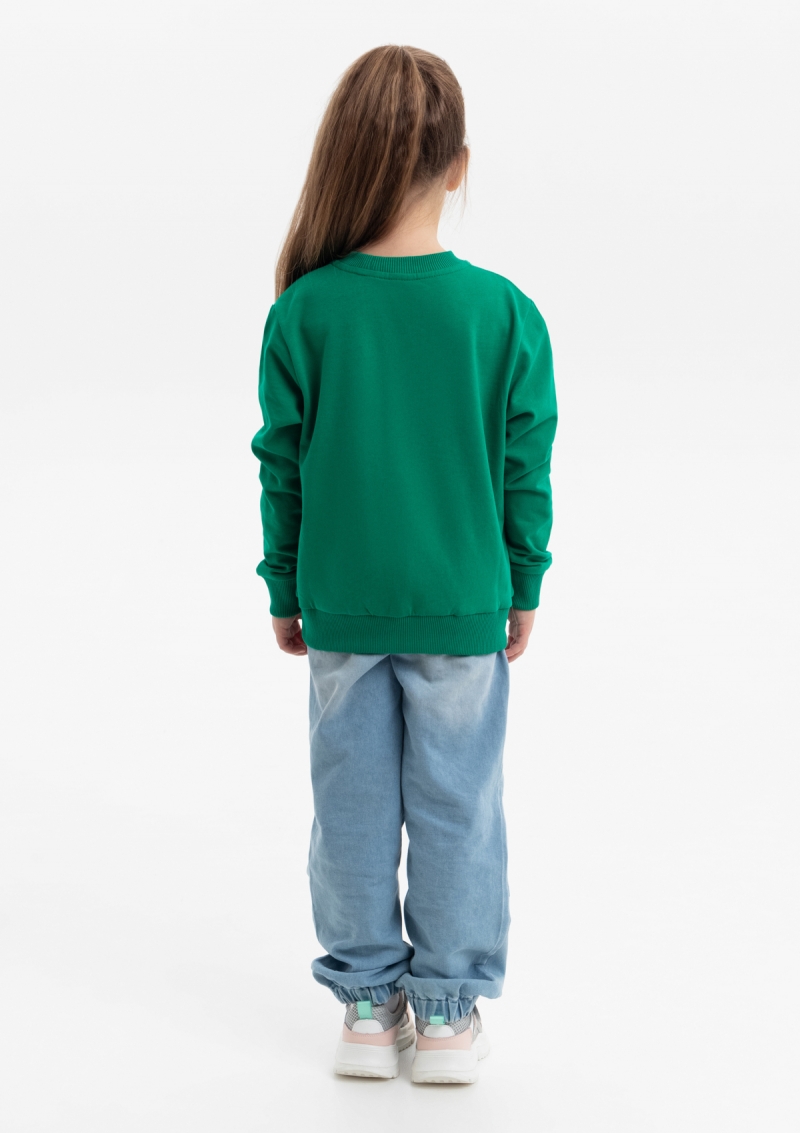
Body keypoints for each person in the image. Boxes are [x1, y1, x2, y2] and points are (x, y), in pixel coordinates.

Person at [251, 44, 557, 1085]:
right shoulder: (503, 313)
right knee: (458, 804)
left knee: (347, 804)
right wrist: (523, 582)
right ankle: (448, 1015)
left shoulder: (304, 311)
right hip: (463, 602)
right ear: (458, 165)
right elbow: (523, 466)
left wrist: (284, 585)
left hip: (341, 602)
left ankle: (366, 1008)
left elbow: (282, 466)